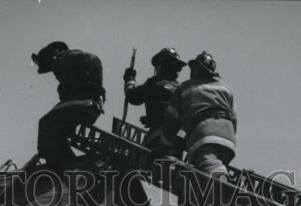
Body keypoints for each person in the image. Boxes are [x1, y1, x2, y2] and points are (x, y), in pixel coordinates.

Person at [158, 51, 237, 179]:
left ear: (198, 68)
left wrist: (164, 147)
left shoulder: (185, 87)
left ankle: (221, 180)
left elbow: (171, 121)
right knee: (204, 171)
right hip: (229, 139)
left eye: (194, 67)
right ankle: (221, 177)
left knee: (207, 160)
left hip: (205, 134)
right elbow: (233, 119)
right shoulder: (226, 89)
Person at [32, 41, 106, 170]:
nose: (53, 70)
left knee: (45, 124)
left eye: (49, 62)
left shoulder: (68, 57)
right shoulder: (66, 67)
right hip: (85, 106)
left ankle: (54, 166)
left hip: (81, 103)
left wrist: (98, 88)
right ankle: (69, 164)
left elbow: (93, 59)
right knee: (58, 134)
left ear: (56, 53)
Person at [123, 47, 186, 150]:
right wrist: (151, 118)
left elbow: (133, 97)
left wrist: (130, 80)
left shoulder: (155, 82)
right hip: (179, 137)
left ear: (161, 65)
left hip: (160, 135)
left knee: (143, 157)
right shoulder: (180, 88)